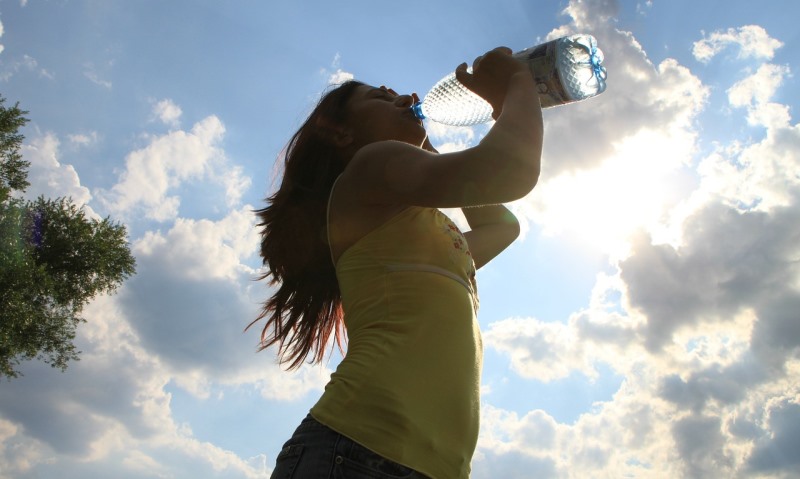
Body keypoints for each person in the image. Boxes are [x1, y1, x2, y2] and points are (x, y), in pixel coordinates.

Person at [254, 47, 543, 479]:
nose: (407, 97)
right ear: (340, 134)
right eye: (381, 98)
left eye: (401, 97)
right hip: (358, 449)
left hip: (421, 466)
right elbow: (506, 171)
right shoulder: (369, 167)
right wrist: (519, 83)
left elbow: (503, 225)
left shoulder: (428, 235)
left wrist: (431, 138)